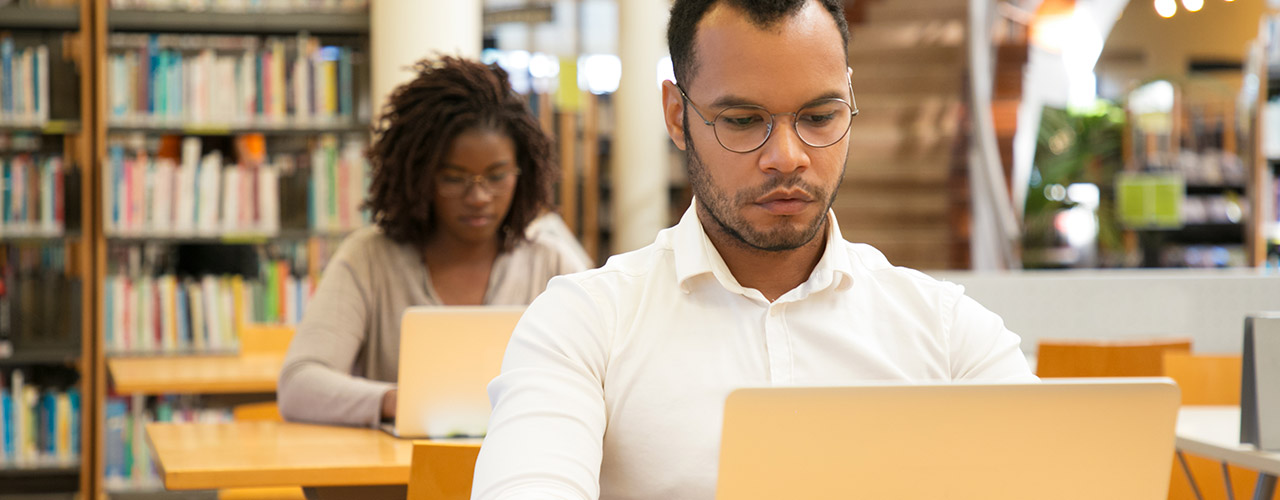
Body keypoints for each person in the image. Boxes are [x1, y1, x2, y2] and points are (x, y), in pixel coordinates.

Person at [471, 1, 1036, 499]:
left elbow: (1056, 474)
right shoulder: (586, 323)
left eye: (820, 117)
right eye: (743, 121)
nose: (787, 156)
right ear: (677, 116)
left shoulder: (944, 329)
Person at [278, 56, 593, 428]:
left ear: (521, 175)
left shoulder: (550, 264)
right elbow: (299, 385)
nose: (479, 197)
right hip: (400, 480)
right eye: (455, 178)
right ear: (420, 175)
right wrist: (399, 401)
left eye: (496, 176)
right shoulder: (369, 260)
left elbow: (604, 379)